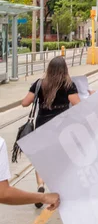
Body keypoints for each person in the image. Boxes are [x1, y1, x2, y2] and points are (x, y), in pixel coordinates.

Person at [21, 57, 80, 207]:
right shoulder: (68, 84)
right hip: (61, 126)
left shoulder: (40, 83)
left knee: (41, 157)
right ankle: (60, 189)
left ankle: (40, 185)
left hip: (42, 124)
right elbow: (77, 104)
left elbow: (25, 102)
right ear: (65, 69)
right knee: (61, 157)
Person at [0, 135, 60, 209]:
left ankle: (40, 184)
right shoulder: (0, 143)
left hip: (40, 133)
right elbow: (2, 192)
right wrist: (44, 197)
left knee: (39, 160)